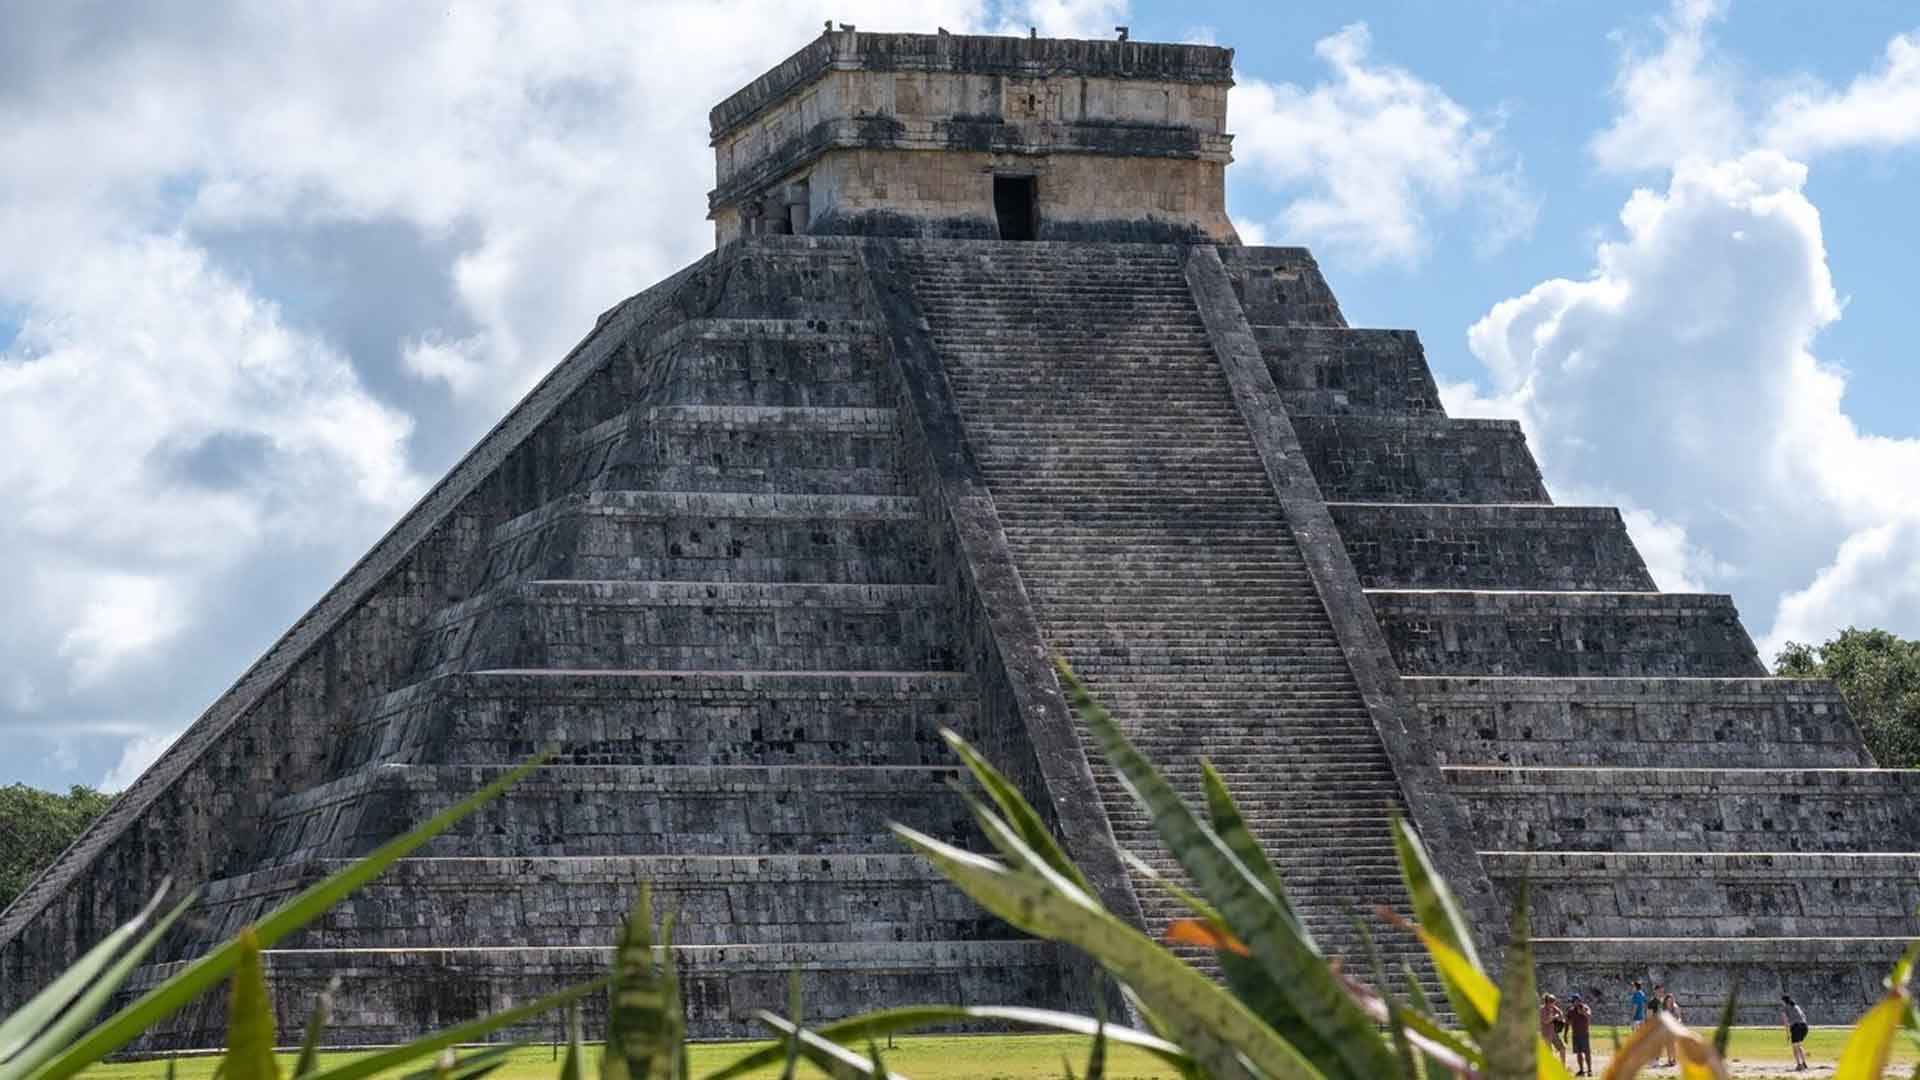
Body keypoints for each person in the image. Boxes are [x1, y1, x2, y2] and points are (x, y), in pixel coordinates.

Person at [1567, 993, 1594, 1076]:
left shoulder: (1585, 1007)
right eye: (1571, 1001)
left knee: (1587, 1053)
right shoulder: (1571, 1010)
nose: (1571, 1003)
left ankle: (1589, 1070)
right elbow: (1568, 1021)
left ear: (1578, 1001)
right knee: (1578, 1053)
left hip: (1584, 1034)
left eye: (1573, 1001)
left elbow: (1589, 1016)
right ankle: (1581, 1070)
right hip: (1575, 1034)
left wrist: (1583, 1012)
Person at [1782, 994, 1810, 1072]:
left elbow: (1786, 1022)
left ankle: (1799, 1065)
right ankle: (1804, 1064)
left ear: (1783, 1001)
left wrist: (1788, 1034)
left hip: (1796, 1027)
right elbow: (1804, 1016)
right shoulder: (1796, 1006)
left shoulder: (1784, 1009)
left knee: (1795, 1048)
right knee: (1799, 1045)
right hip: (1804, 1026)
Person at [1539, 993, 1567, 1066]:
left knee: (1562, 1049)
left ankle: (1562, 1067)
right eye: (1552, 1001)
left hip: (1554, 1033)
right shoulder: (1542, 1009)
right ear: (1547, 1002)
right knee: (1548, 1052)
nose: (1554, 1003)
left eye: (1554, 1001)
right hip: (1546, 1034)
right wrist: (1555, 1017)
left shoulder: (1554, 1008)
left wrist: (1560, 1017)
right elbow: (1545, 1021)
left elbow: (1561, 1015)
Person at [1661, 991, 1682, 1068]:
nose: (1669, 1002)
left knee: (1673, 1044)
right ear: (1666, 1001)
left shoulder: (1675, 1007)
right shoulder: (1664, 1008)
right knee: (1668, 1044)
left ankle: (1674, 1060)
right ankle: (1669, 1060)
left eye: (1671, 1000)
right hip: (1666, 1028)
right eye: (1668, 1000)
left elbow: (1679, 1017)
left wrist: (1677, 1022)